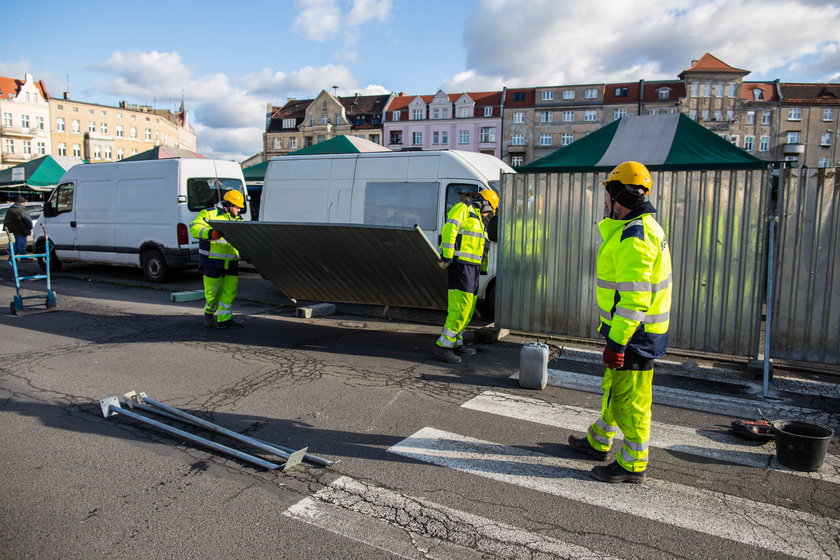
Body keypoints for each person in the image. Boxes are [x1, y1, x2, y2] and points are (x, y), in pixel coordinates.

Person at [568, 161, 672, 483]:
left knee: (632, 401)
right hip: (630, 333)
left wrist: (617, 343)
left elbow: (634, 299)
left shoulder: (635, 238)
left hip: (634, 336)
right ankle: (599, 440)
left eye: (608, 193)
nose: (604, 201)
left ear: (620, 195)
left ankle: (632, 464)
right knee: (615, 388)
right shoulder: (638, 228)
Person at [433, 188, 499, 364]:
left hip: (472, 269)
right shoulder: (463, 208)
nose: (490, 213)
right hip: (461, 267)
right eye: (491, 209)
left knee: (468, 309)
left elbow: (481, 246)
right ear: (484, 202)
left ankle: (456, 343)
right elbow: (450, 229)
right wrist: (447, 254)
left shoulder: (478, 218)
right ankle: (443, 346)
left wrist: (481, 268)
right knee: (460, 309)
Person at [190, 190, 246, 328]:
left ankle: (224, 319)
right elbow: (194, 228)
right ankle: (208, 314)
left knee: (230, 292)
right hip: (212, 261)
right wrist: (211, 233)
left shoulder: (238, 220)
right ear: (228, 204)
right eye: (237, 207)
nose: (239, 210)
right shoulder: (209, 213)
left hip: (231, 262)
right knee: (213, 293)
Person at [3, 196, 33, 260]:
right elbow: (28, 220)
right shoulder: (22, 210)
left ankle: (12, 256)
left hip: (14, 229)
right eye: (24, 202)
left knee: (17, 243)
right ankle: (23, 258)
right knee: (22, 244)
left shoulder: (11, 209)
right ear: (21, 203)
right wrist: (30, 226)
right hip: (22, 229)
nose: (25, 203)